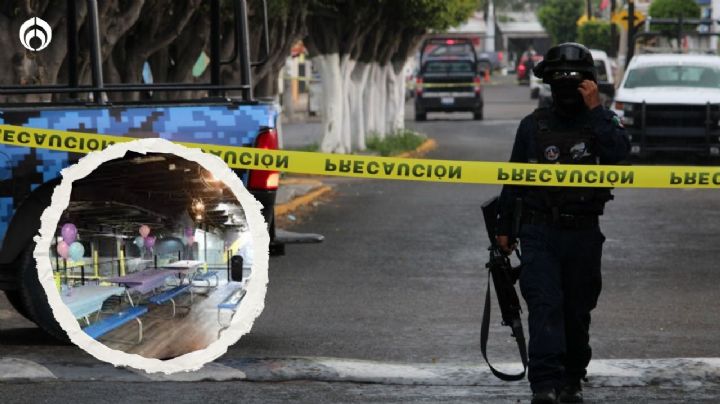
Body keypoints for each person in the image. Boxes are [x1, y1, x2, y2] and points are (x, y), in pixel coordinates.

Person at [495, 43, 630, 404]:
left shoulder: (601, 121)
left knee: (576, 310)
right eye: (561, 82)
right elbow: (514, 179)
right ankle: (544, 385)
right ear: (549, 85)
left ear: (589, 83)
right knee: (545, 305)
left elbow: (619, 154)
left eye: (576, 81)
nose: (568, 89)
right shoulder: (533, 126)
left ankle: (572, 378)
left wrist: (597, 108)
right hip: (539, 231)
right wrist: (504, 229)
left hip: (584, 232)